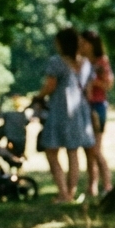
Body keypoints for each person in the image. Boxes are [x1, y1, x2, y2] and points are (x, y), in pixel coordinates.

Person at [37, 27, 95, 204]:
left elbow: (50, 85)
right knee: (73, 151)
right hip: (80, 110)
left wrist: (39, 97)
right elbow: (89, 92)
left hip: (60, 109)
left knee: (51, 150)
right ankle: (71, 192)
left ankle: (63, 192)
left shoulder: (57, 62)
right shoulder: (86, 64)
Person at [80, 30, 113, 197]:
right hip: (83, 107)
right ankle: (91, 186)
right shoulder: (82, 62)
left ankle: (107, 184)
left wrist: (94, 82)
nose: (80, 45)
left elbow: (108, 85)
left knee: (96, 149)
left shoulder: (101, 62)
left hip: (97, 107)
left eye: (83, 42)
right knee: (88, 149)